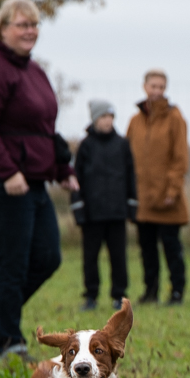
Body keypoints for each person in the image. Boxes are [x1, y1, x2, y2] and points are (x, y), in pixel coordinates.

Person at [0, 0, 77, 361]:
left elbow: (45, 130)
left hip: (33, 178)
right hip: (3, 178)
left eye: (34, 24)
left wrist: (62, 170)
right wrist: (7, 171)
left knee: (48, 256)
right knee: (13, 261)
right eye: (22, 24)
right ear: (3, 29)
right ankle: (8, 341)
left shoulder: (33, 71)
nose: (30, 31)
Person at [128, 70, 189, 305]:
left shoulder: (175, 118)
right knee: (147, 249)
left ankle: (177, 291)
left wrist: (172, 191)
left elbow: (180, 158)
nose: (157, 91)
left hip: (166, 199)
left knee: (172, 248)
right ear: (144, 87)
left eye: (161, 87)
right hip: (143, 198)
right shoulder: (135, 121)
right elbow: (127, 158)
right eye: (153, 86)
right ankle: (150, 291)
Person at [71, 98, 137, 312]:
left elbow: (130, 176)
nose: (107, 121)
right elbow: (76, 179)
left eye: (110, 117)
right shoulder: (85, 146)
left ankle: (119, 296)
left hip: (117, 212)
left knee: (118, 256)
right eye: (103, 117)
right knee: (90, 257)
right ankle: (91, 295)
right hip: (92, 214)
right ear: (95, 119)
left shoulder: (122, 144)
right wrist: (78, 208)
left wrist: (132, 205)